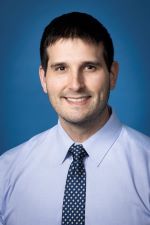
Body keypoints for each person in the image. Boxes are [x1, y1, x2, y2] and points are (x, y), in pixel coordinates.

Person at [0, 12, 150, 225]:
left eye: (89, 67)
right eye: (61, 68)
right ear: (44, 79)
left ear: (112, 74)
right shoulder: (6, 172)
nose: (76, 85)